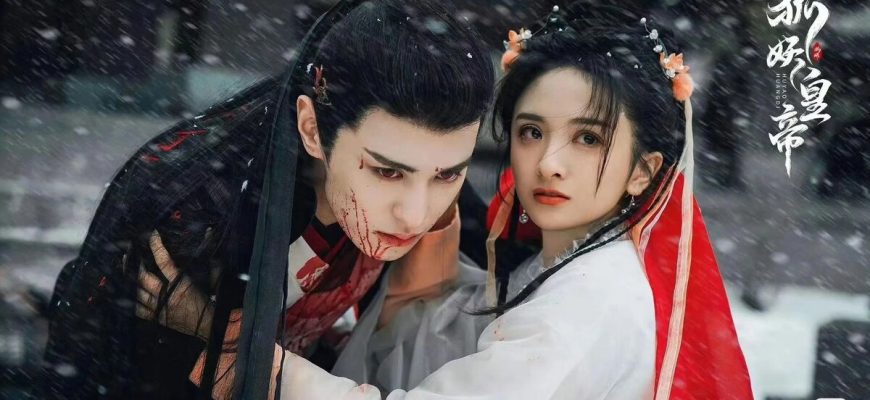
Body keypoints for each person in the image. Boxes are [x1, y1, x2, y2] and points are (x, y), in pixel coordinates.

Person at [231, 4, 753, 399]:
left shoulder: (592, 300)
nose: (549, 163)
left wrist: (266, 369)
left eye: (588, 138)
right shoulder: (562, 263)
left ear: (644, 171)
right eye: (531, 132)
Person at [39, 0, 494, 398]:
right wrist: (216, 334)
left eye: (449, 174)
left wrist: (220, 330)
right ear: (312, 129)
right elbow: (109, 359)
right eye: (387, 172)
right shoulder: (207, 211)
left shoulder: (422, 170)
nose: (415, 214)